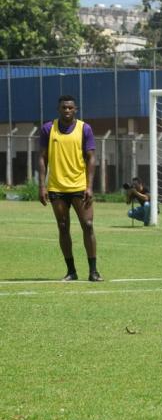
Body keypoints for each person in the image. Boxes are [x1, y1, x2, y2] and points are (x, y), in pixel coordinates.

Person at [38, 95, 103, 282]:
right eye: (64, 108)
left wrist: (90, 186)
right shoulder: (48, 128)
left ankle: (93, 271)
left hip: (80, 187)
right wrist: (42, 185)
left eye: (70, 108)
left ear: (76, 109)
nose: (67, 110)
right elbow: (42, 158)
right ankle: (71, 271)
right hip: (57, 187)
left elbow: (91, 158)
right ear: (59, 109)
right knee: (63, 227)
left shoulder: (85, 128)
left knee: (88, 225)